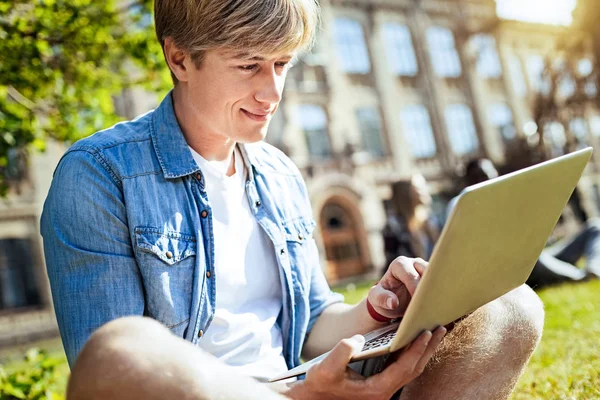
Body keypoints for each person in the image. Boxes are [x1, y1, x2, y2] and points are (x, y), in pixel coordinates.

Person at [40, 1, 545, 399]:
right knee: (118, 352)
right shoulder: (99, 175)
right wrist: (296, 395)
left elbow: (310, 324)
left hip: (309, 385)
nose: (273, 92)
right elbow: (111, 376)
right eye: (248, 66)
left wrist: (376, 310)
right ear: (179, 59)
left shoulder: (278, 173)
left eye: (282, 63)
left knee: (511, 306)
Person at [447, 158, 600, 288]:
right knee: (529, 256)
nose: (488, 180)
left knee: (594, 227)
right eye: (481, 176)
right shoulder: (460, 204)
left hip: (540, 255)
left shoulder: (507, 199)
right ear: (469, 180)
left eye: (490, 175)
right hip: (515, 268)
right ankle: (580, 277)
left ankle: (593, 268)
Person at [382, 175, 440, 273]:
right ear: (406, 194)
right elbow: (392, 264)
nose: (425, 190)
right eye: (419, 188)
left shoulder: (431, 221)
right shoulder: (393, 227)